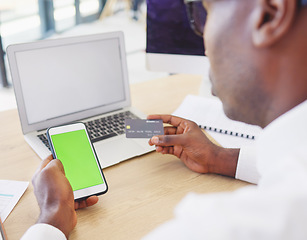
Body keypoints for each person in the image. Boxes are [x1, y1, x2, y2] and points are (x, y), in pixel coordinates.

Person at [22, 0, 307, 239]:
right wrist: (219, 157)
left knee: (135, 127)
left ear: (270, 14)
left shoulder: (218, 229)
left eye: (204, 11)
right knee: (138, 127)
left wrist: (51, 219)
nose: (203, 40)